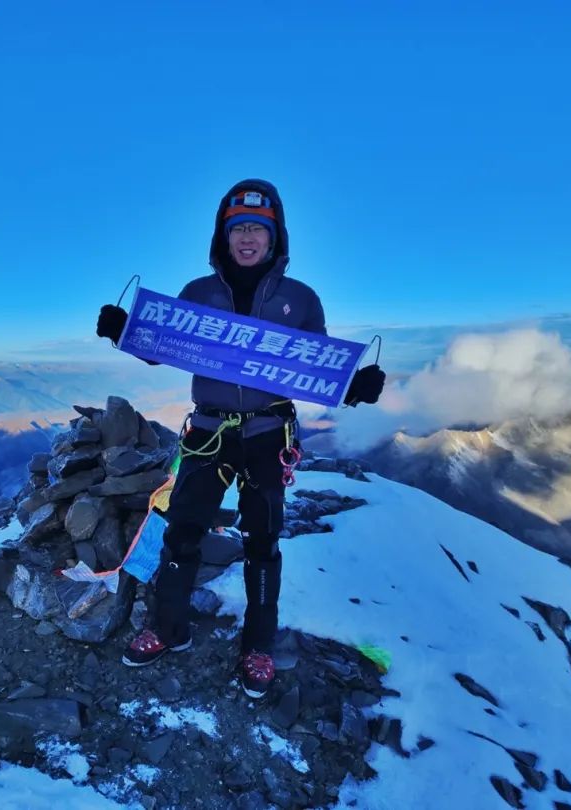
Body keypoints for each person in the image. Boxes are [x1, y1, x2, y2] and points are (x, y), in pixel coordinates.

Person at [95, 179, 386, 698]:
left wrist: (355, 386)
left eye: (258, 228)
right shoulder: (198, 294)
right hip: (209, 430)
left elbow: (316, 368)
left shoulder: (300, 300)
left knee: (263, 540)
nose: (248, 237)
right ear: (223, 237)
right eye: (239, 228)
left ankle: (258, 645)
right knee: (182, 530)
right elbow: (162, 346)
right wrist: (125, 331)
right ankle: (168, 628)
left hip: (268, 434)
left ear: (275, 238)